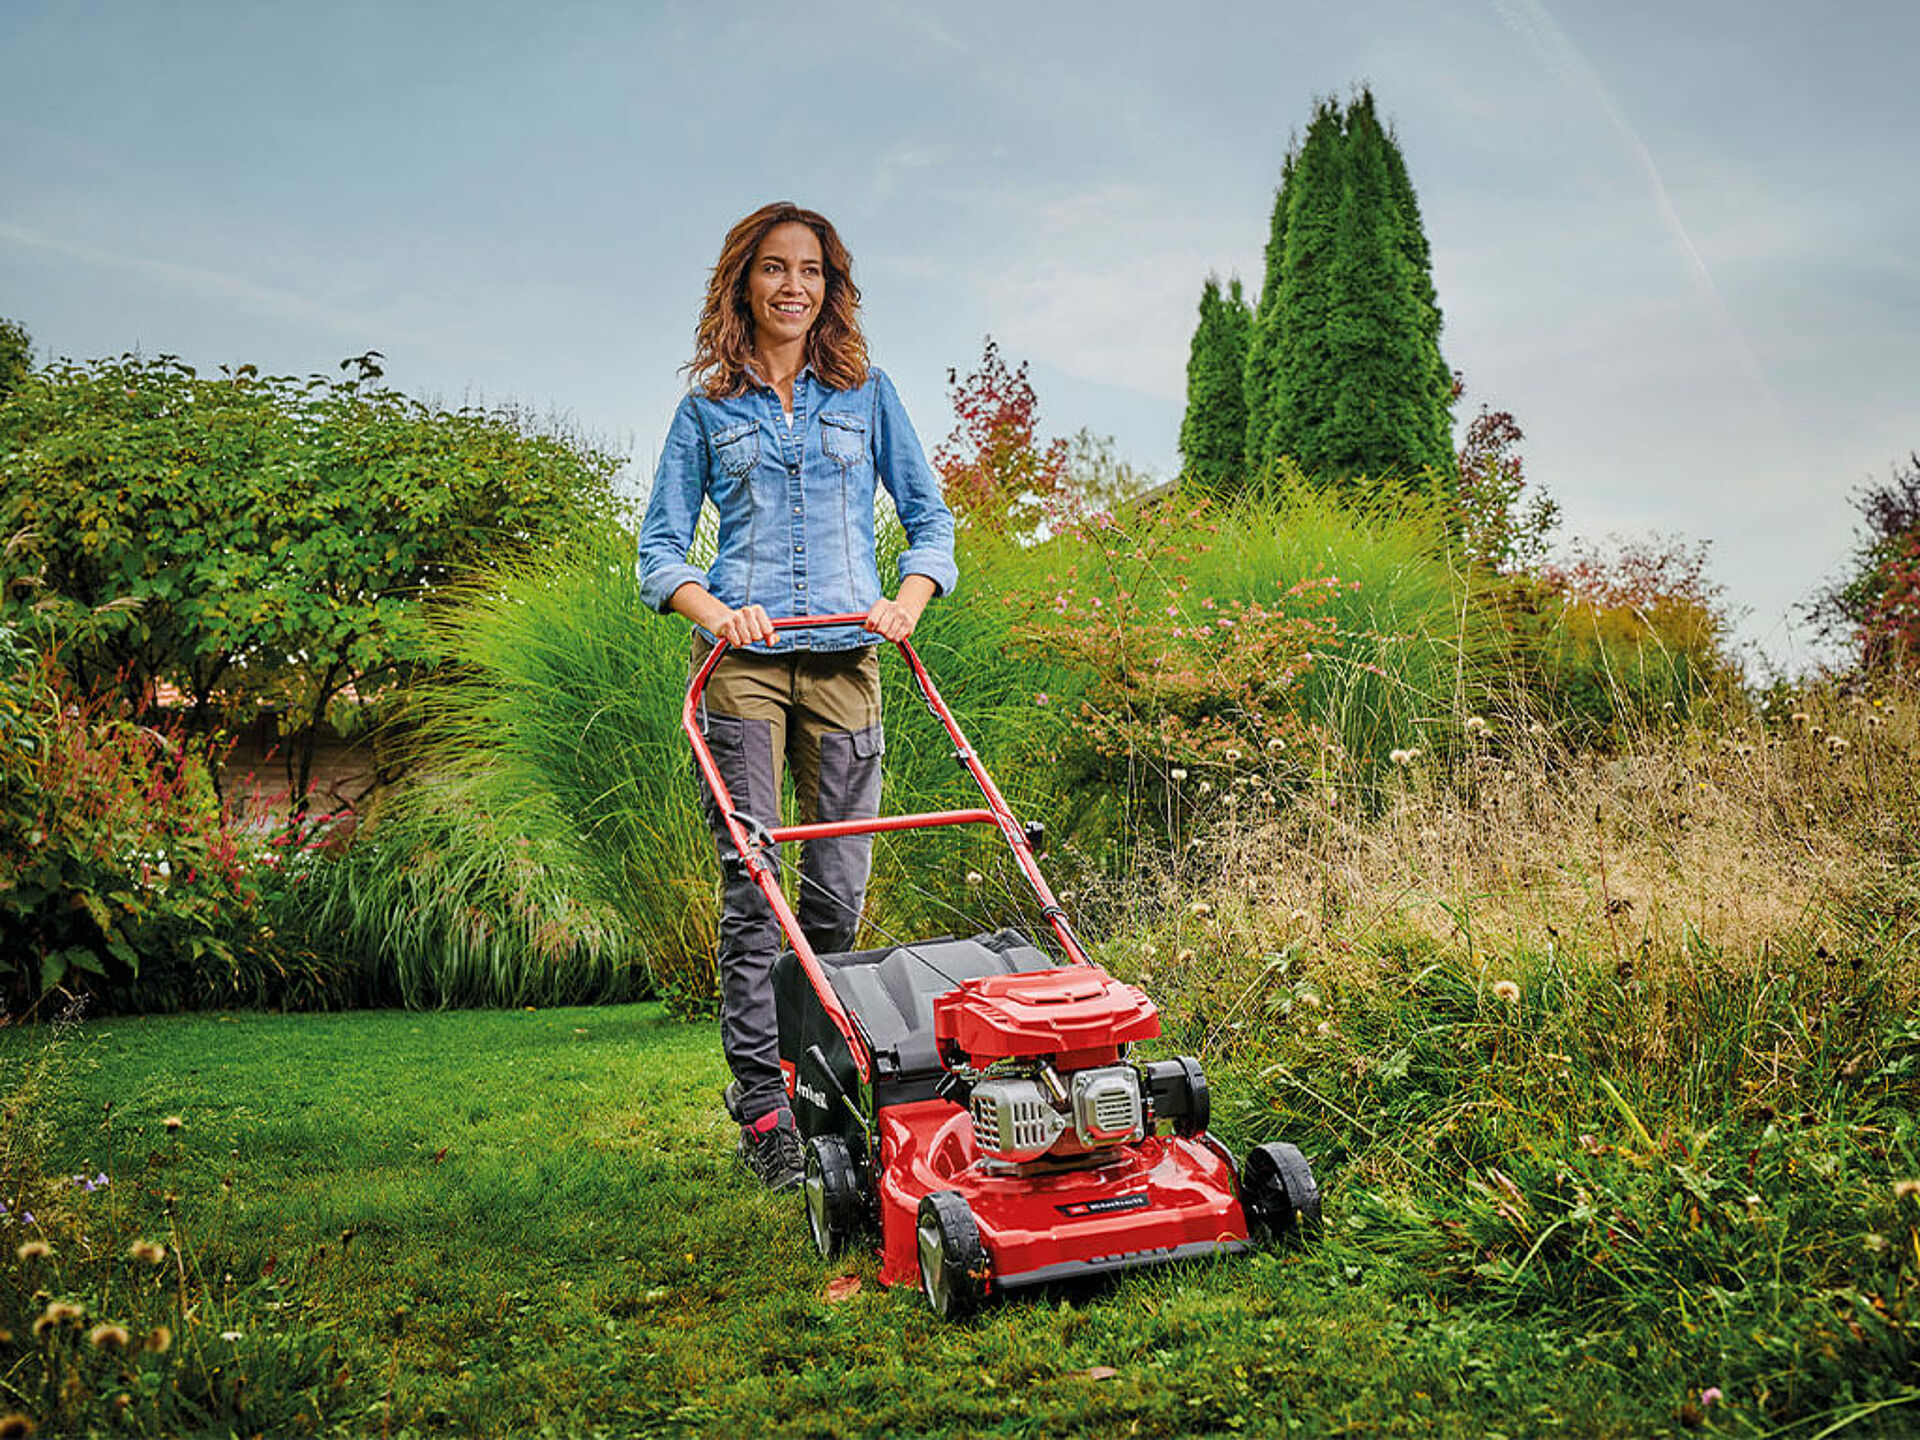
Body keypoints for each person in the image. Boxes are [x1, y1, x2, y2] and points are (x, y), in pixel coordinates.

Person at [637, 202, 958, 1192]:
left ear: (831, 284)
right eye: (774, 269)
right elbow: (657, 553)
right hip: (743, 665)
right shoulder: (707, 411)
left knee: (836, 898)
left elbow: (929, 522)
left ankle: (814, 1070)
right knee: (753, 889)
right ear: (744, 284)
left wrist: (906, 601)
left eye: (811, 270)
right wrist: (715, 607)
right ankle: (765, 1113)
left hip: (849, 660)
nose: (794, 287)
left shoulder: (867, 397)